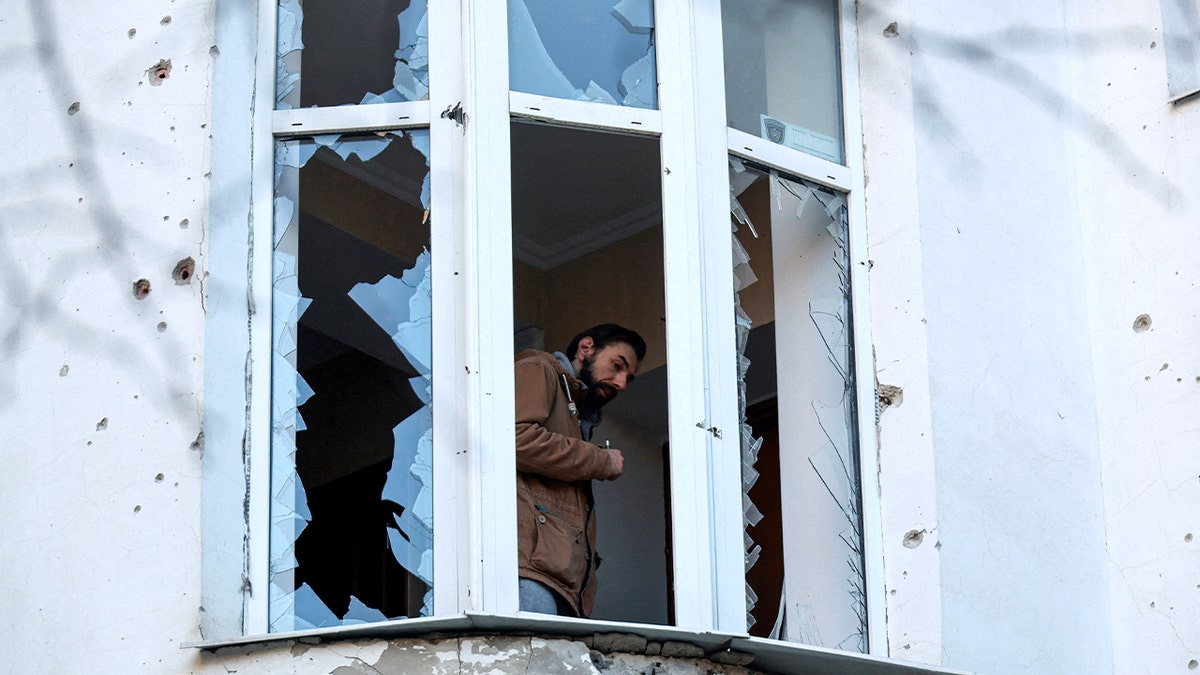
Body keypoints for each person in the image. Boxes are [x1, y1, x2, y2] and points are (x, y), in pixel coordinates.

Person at [514, 323, 647, 617]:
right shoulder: (539, 368)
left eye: (628, 377)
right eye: (617, 365)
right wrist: (601, 460)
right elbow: (515, 439)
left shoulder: (577, 411)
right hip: (531, 574)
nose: (621, 383)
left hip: (562, 582)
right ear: (585, 348)